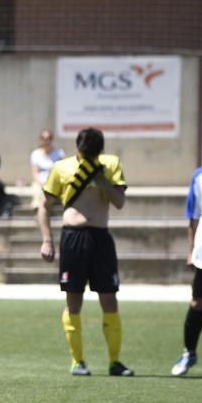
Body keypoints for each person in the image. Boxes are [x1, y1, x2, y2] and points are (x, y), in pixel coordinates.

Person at [38, 127, 133, 377]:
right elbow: (44, 206)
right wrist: (47, 240)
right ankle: (77, 361)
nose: (87, 156)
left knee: (109, 299)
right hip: (73, 238)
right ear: (77, 149)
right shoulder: (61, 167)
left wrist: (100, 178)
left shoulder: (110, 164)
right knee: (73, 301)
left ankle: (115, 362)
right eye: (84, 153)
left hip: (101, 238)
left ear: (100, 151)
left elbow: (119, 202)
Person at [171, 131, 202, 376]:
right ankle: (189, 353)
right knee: (198, 303)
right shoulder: (200, 177)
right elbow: (194, 216)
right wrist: (190, 251)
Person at [30, 129, 64, 208]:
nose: (46, 141)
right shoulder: (35, 154)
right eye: (43, 138)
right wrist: (41, 184)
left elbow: (62, 171)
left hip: (54, 181)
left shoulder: (59, 153)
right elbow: (35, 172)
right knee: (37, 193)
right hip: (40, 182)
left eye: (48, 138)